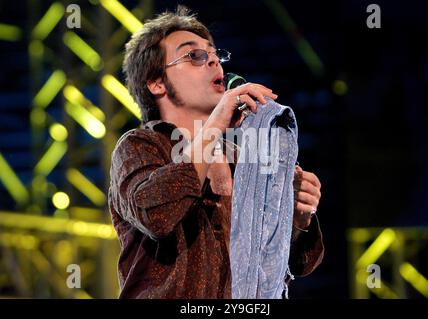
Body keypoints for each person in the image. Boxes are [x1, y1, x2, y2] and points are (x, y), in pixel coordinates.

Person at [108, 5, 324, 299]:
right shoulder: (140, 146)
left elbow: (296, 263)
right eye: (194, 56)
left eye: (214, 54)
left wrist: (297, 220)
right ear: (156, 83)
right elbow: (157, 215)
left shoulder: (245, 156)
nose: (213, 61)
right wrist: (216, 123)